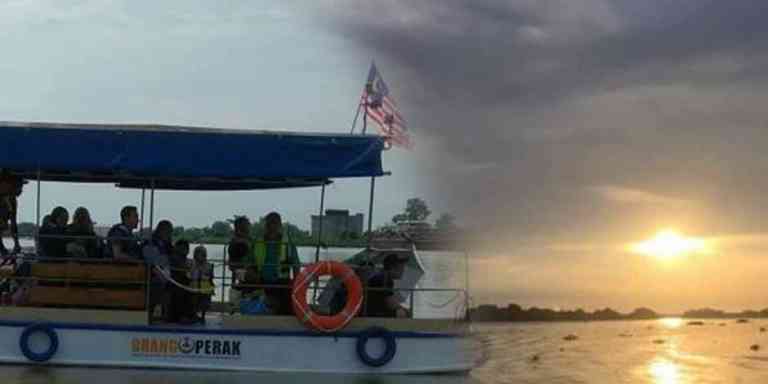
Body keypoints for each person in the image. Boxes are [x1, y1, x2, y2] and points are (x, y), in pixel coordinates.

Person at [247, 212, 300, 315]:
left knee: (287, 300)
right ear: (265, 225)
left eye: (274, 223)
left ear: (279, 225)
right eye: (269, 223)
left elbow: (296, 265)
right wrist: (251, 274)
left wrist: (296, 283)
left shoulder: (288, 243)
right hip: (261, 280)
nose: (271, 226)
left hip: (282, 281)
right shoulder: (258, 242)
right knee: (248, 289)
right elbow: (250, 262)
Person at [142, 220, 173, 320]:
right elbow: (151, 262)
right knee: (157, 284)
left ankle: (169, 315)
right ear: (161, 231)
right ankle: (149, 314)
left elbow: (172, 256)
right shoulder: (150, 242)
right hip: (152, 273)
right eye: (168, 231)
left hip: (165, 273)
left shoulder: (167, 244)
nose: (169, 234)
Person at [365, 253, 410, 318]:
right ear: (392, 268)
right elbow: (391, 304)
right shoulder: (385, 278)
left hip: (372, 310)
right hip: (374, 313)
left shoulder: (382, 275)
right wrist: (405, 310)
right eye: (402, 267)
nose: (403, 270)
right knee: (402, 313)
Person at [167, 239, 196, 323]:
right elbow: (181, 270)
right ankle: (180, 316)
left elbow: (189, 271)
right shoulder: (174, 258)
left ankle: (189, 314)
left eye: (187, 248)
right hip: (174, 282)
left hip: (183, 282)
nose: (186, 250)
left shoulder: (186, 259)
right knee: (182, 290)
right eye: (183, 248)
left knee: (190, 288)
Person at [0, 174, 23, 255]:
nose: (21, 190)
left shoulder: (12, 200)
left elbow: (13, 223)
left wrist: (17, 243)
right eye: (19, 186)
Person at [190, 245, 214, 321]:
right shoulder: (191, 264)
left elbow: (211, 277)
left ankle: (203, 316)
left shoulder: (209, 265)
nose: (201, 255)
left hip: (205, 285)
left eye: (203, 253)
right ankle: (193, 314)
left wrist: (211, 287)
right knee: (194, 301)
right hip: (194, 285)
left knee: (205, 301)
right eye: (198, 253)